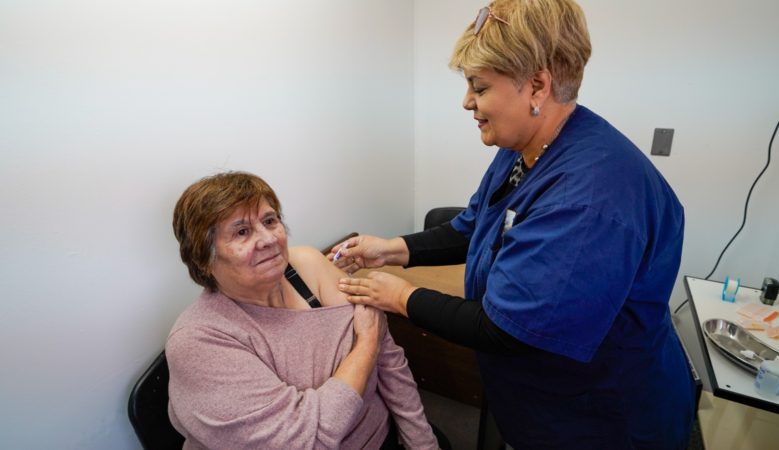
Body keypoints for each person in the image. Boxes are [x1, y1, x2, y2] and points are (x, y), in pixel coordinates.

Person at [332, 1, 695, 448]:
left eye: (479, 87)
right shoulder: (523, 146)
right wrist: (391, 249)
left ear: (537, 86)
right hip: (535, 401)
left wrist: (400, 296)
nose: (467, 102)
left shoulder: (589, 199)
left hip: (601, 418)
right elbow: (472, 227)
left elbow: (505, 327)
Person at [167, 171, 438, 450]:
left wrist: (422, 443)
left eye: (270, 221)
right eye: (242, 232)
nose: (268, 239)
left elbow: (389, 360)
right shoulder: (198, 342)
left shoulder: (306, 265)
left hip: (380, 434)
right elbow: (305, 442)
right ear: (202, 257)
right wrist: (366, 344)